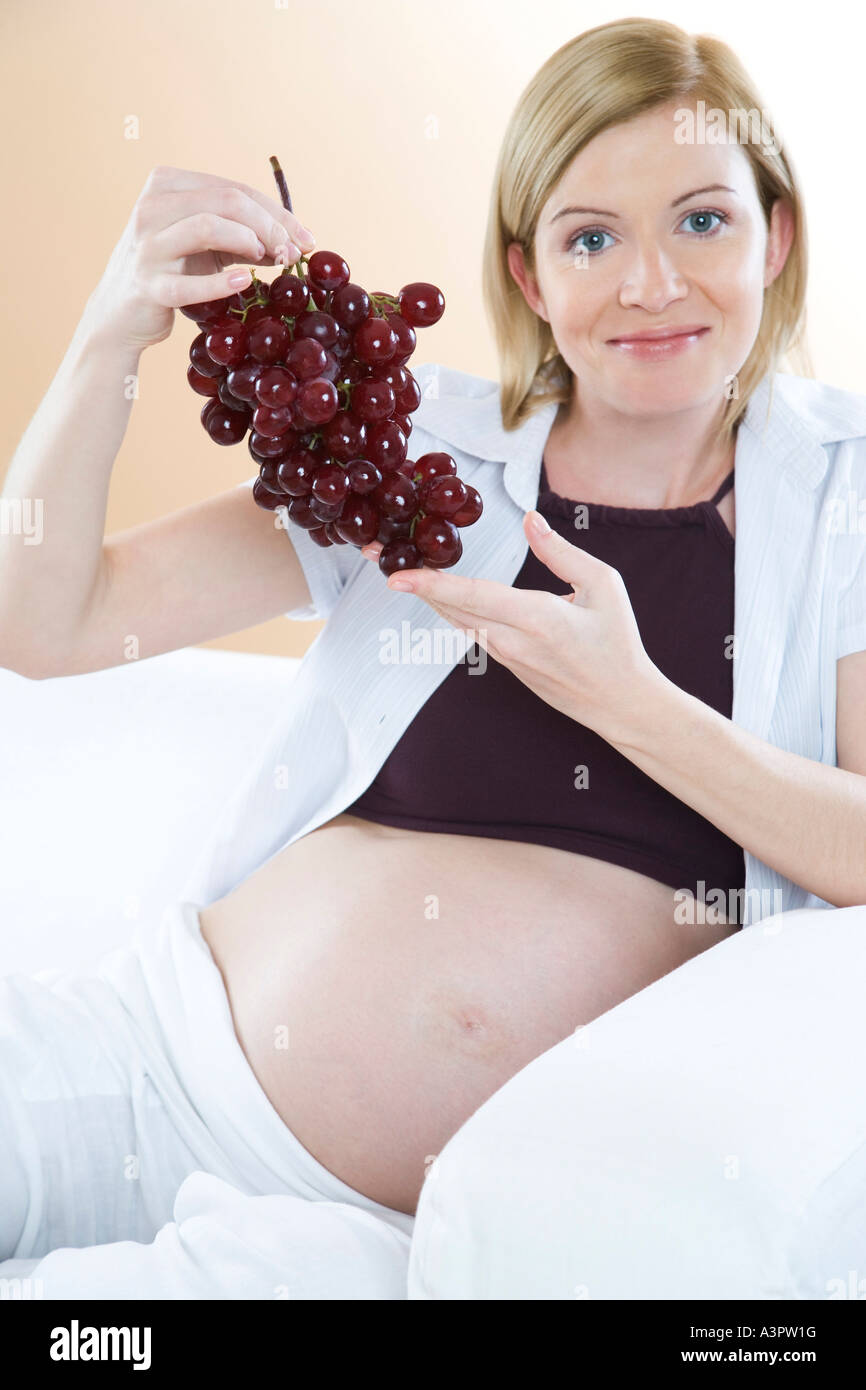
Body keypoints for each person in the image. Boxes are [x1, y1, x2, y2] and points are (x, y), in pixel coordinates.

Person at [1, 18, 864, 1299]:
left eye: (699, 221)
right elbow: (47, 619)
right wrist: (110, 329)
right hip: (144, 1048)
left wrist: (633, 706)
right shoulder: (415, 459)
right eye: (589, 237)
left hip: (369, 1234)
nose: (647, 284)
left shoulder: (842, 500)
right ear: (526, 275)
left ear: (774, 236)